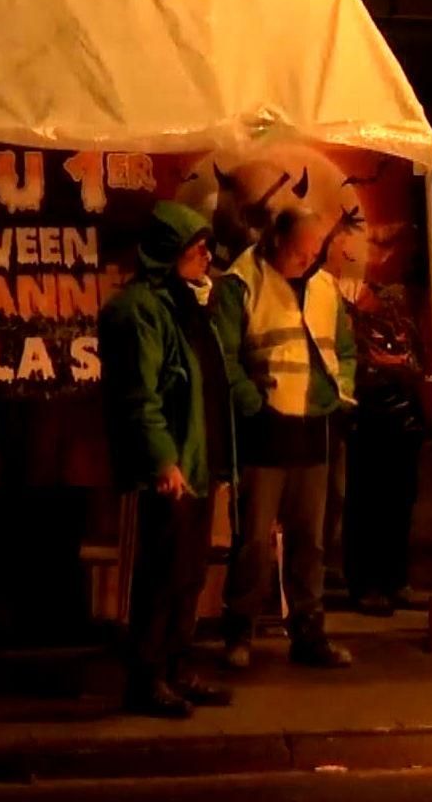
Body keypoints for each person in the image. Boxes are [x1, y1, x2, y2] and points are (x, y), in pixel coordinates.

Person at [100, 201, 237, 717]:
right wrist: (163, 461)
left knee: (188, 575)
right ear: (168, 251)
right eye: (195, 246)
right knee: (162, 576)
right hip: (173, 468)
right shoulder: (139, 310)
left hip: (198, 461)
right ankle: (147, 677)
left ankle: (178, 667)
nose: (206, 255)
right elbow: (141, 394)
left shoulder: (184, 304)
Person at [217, 204, 358, 670]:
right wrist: (250, 403)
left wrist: (343, 393)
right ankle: (238, 633)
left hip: (313, 428)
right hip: (264, 431)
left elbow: (345, 349)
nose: (309, 261)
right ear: (276, 241)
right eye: (301, 252)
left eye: (315, 252)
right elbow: (224, 357)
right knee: (254, 540)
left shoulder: (324, 286)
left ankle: (309, 634)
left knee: (309, 541)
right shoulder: (241, 283)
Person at [342, 285, 427, 617]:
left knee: (399, 502)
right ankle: (367, 583)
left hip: (403, 420)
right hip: (368, 421)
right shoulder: (349, 314)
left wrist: (403, 365)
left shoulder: (401, 316)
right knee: (367, 503)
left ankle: (394, 578)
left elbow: (419, 362)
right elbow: (350, 361)